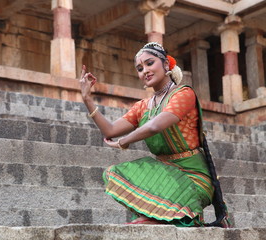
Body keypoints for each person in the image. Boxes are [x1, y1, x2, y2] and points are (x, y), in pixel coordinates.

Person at [79, 42, 230, 227]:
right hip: (164, 173)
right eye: (140, 68)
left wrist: (124, 141)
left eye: (150, 63)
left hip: (193, 177)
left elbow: (155, 126)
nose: (145, 71)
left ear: (166, 65)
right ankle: (158, 217)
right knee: (113, 174)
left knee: (165, 185)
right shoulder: (143, 106)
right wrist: (87, 99)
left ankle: (173, 214)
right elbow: (110, 130)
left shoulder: (183, 94)